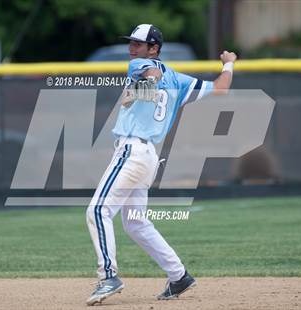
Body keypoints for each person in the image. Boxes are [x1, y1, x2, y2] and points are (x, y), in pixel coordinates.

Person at [86, 24, 237, 306]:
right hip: (147, 156)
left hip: (132, 151)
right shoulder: (178, 80)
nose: (132, 48)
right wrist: (228, 64)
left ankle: (109, 276)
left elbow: (151, 73)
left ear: (153, 49)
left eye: (138, 44)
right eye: (131, 43)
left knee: (97, 210)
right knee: (135, 224)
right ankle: (179, 276)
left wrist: (150, 74)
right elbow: (220, 89)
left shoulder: (140, 65)